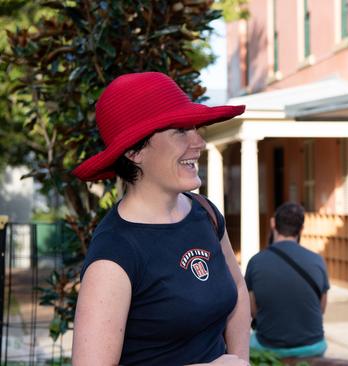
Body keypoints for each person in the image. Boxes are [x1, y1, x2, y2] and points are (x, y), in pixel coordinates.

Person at [71, 72, 251, 365]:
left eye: (195, 128)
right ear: (134, 151)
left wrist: (240, 359)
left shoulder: (205, 213)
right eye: (180, 130)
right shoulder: (115, 253)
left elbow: (238, 289)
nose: (199, 142)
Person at [245, 202, 329, 358]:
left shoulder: (256, 262)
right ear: (301, 229)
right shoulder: (318, 261)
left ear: (272, 223)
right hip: (312, 346)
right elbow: (321, 308)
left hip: (269, 347)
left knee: (246, 344)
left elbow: (252, 310)